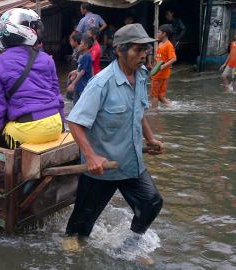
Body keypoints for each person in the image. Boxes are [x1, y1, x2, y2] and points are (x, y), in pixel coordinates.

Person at [64, 23, 164, 253]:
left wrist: (150, 138)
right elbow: (75, 121)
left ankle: (129, 248)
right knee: (80, 228)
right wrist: (91, 157)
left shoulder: (141, 75)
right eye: (137, 50)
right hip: (103, 167)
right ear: (120, 50)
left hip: (131, 162)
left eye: (145, 50)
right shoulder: (102, 83)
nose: (143, 55)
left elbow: (138, 111)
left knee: (151, 203)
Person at [0, 8, 65, 149]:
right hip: (56, 125)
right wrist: (63, 125)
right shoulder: (47, 59)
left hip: (29, 131)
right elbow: (57, 96)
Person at [151, 24, 177, 108]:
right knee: (160, 96)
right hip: (161, 72)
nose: (157, 34)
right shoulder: (160, 44)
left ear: (164, 34)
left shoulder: (168, 45)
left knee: (154, 95)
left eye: (159, 32)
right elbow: (159, 57)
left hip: (160, 73)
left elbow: (173, 59)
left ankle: (154, 113)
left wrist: (163, 66)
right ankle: (174, 107)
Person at [67, 35, 93, 103]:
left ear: (86, 46)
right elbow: (81, 68)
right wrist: (75, 71)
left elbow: (82, 72)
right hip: (79, 85)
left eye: (81, 43)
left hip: (83, 86)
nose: (79, 45)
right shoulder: (83, 55)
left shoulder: (87, 56)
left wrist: (73, 83)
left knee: (78, 104)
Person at [219, 28, 236, 92]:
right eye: (235, 34)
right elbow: (230, 54)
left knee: (235, 79)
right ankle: (227, 89)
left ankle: (234, 93)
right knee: (223, 76)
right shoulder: (232, 43)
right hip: (230, 64)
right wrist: (225, 64)